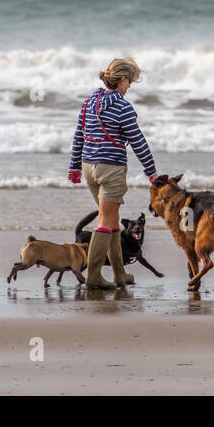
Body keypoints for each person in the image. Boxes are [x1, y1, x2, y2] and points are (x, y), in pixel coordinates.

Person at [68, 58, 157, 289]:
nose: (129, 87)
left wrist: (74, 166)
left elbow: (79, 135)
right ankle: (94, 276)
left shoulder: (88, 103)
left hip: (89, 168)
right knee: (106, 222)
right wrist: (152, 172)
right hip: (111, 168)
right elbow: (138, 142)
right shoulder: (123, 107)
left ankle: (120, 274)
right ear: (123, 79)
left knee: (113, 220)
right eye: (130, 82)